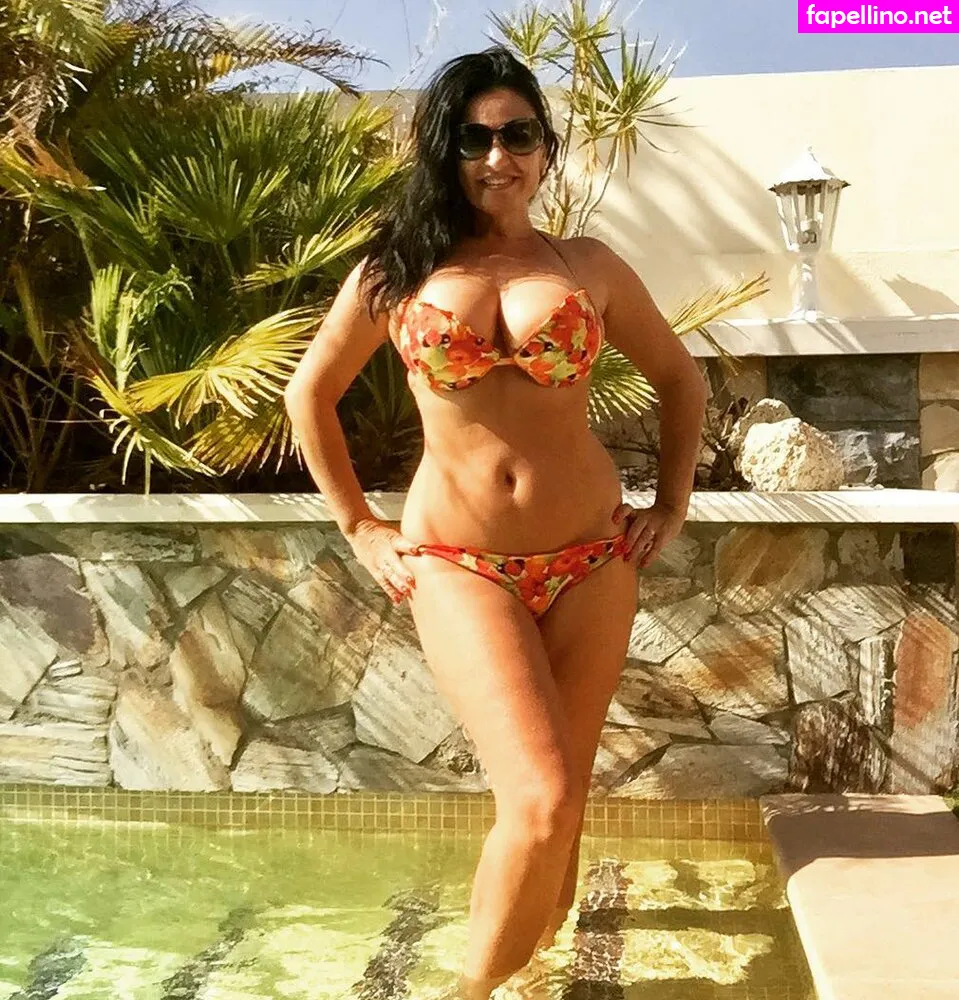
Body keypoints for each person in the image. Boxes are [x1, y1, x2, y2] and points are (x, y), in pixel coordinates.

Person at [284, 45, 708, 999]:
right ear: (446, 151)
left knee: (563, 803)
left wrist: (671, 505)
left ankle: (533, 974)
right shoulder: (397, 270)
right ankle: (470, 993)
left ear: (545, 148)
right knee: (540, 794)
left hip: (593, 559)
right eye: (473, 139)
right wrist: (358, 527)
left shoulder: (588, 265)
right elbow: (310, 395)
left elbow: (681, 379)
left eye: (516, 135)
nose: (496, 156)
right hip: (457, 561)